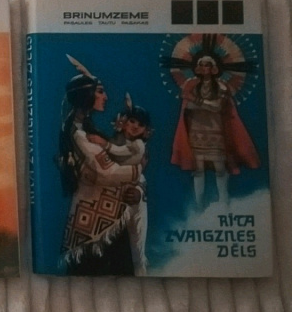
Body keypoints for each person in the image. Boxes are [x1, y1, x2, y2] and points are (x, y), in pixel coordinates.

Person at [57, 57, 144, 275]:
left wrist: (139, 188)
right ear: (86, 96)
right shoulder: (79, 135)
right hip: (94, 229)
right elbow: (107, 173)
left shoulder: (87, 130)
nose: (105, 97)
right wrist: (138, 169)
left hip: (108, 222)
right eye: (100, 92)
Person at [171, 53, 259, 208]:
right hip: (196, 132)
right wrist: (204, 104)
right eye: (201, 64)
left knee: (220, 167)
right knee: (198, 169)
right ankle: (199, 206)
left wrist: (196, 100)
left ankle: (225, 204)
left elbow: (217, 107)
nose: (204, 68)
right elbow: (188, 107)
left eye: (207, 65)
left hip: (215, 131)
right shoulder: (191, 84)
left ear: (214, 68)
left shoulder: (221, 86)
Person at [99, 97, 152, 275]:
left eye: (140, 124)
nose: (135, 126)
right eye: (132, 121)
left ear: (145, 130)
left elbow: (139, 175)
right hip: (111, 203)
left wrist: (139, 191)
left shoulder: (139, 146)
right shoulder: (115, 140)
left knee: (137, 251)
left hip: (134, 202)